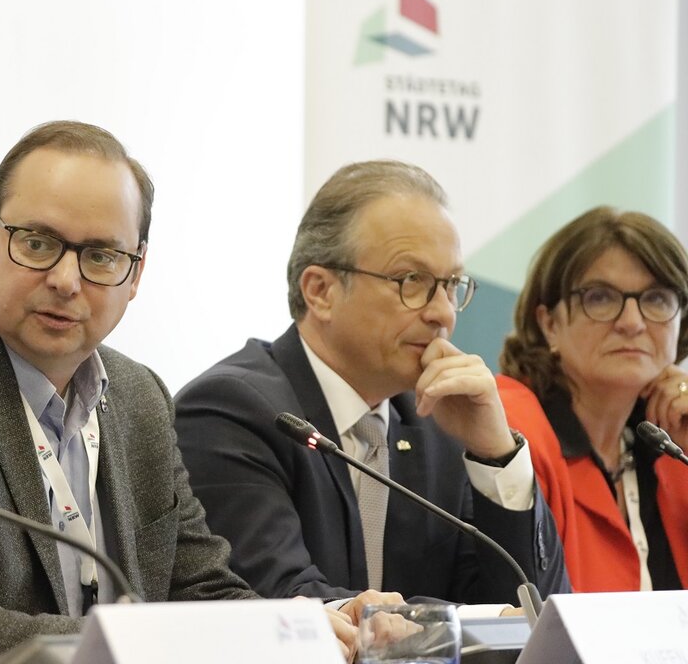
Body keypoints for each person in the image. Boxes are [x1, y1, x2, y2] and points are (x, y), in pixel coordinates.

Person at [0, 121, 359, 659]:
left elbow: (201, 589)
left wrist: (310, 624)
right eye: (37, 243)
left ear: (136, 273)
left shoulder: (138, 396)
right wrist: (159, 643)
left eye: (101, 255)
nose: (66, 279)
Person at [173, 160, 569, 613]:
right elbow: (281, 602)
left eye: (451, 285)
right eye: (412, 281)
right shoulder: (232, 412)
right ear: (320, 291)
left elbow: (536, 613)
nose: (443, 313)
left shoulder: (438, 423)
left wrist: (495, 455)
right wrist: (457, 622)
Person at [497, 206, 688, 591]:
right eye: (600, 298)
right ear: (549, 323)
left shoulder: (669, 444)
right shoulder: (511, 429)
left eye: (657, 298)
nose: (632, 322)